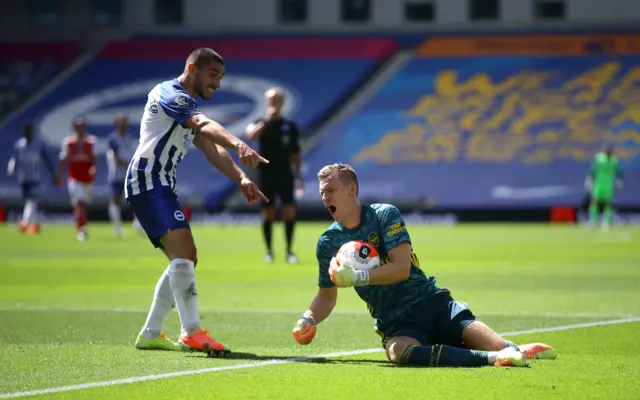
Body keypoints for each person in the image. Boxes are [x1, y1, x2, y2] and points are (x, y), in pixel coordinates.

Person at [292, 163, 557, 368]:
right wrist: (308, 318)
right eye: (322, 193)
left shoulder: (385, 215)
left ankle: (512, 349)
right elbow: (327, 297)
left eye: (330, 191)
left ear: (351, 190)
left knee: (500, 345)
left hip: (433, 304)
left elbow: (401, 269)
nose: (325, 198)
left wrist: (357, 276)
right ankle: (491, 358)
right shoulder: (328, 242)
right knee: (398, 353)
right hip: (396, 322)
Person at [126, 47, 268, 355]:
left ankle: (151, 332)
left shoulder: (186, 107)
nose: (217, 84)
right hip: (148, 180)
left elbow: (211, 148)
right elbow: (205, 127)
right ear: (192, 68)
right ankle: (191, 332)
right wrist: (240, 143)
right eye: (213, 74)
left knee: (184, 258)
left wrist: (241, 178)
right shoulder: (171, 93)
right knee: (185, 253)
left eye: (221, 77)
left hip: (158, 183)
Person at [245, 87, 303, 264]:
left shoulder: (290, 127)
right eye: (271, 100)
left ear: (283, 103)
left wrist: (298, 176)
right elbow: (250, 135)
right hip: (266, 173)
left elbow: (295, 153)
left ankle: (289, 251)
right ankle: (269, 251)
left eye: (277, 100)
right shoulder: (260, 122)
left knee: (288, 211)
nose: (274, 103)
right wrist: (267, 121)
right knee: (268, 212)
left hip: (285, 173)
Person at [6, 121, 56, 234]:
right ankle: (36, 225)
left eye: (29, 130)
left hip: (35, 177)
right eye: (25, 130)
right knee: (29, 201)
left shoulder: (38, 144)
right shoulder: (19, 144)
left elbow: (46, 159)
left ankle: (24, 223)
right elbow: (14, 158)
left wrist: (53, 173)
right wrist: (10, 168)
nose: (27, 133)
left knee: (31, 200)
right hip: (23, 178)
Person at [56, 116, 97, 241]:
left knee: (82, 204)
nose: (80, 128)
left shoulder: (91, 141)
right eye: (78, 126)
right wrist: (59, 175)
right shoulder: (68, 142)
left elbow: (94, 159)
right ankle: (81, 229)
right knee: (80, 202)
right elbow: (64, 159)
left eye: (82, 126)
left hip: (87, 178)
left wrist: (94, 168)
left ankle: (80, 225)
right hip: (74, 177)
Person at [106, 113, 138, 237]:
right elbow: (116, 158)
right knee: (115, 200)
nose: (124, 124)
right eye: (122, 122)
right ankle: (117, 226)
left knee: (136, 198)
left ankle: (138, 223)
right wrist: (128, 163)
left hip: (130, 174)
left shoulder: (129, 138)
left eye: (125, 122)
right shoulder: (113, 139)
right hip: (116, 175)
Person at [585, 145, 623, 230]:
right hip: (598, 185)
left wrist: (619, 181)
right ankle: (592, 221)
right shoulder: (598, 159)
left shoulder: (614, 161)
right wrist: (589, 180)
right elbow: (592, 170)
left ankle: (607, 223)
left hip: (608, 185)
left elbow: (619, 172)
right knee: (594, 202)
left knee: (608, 204)